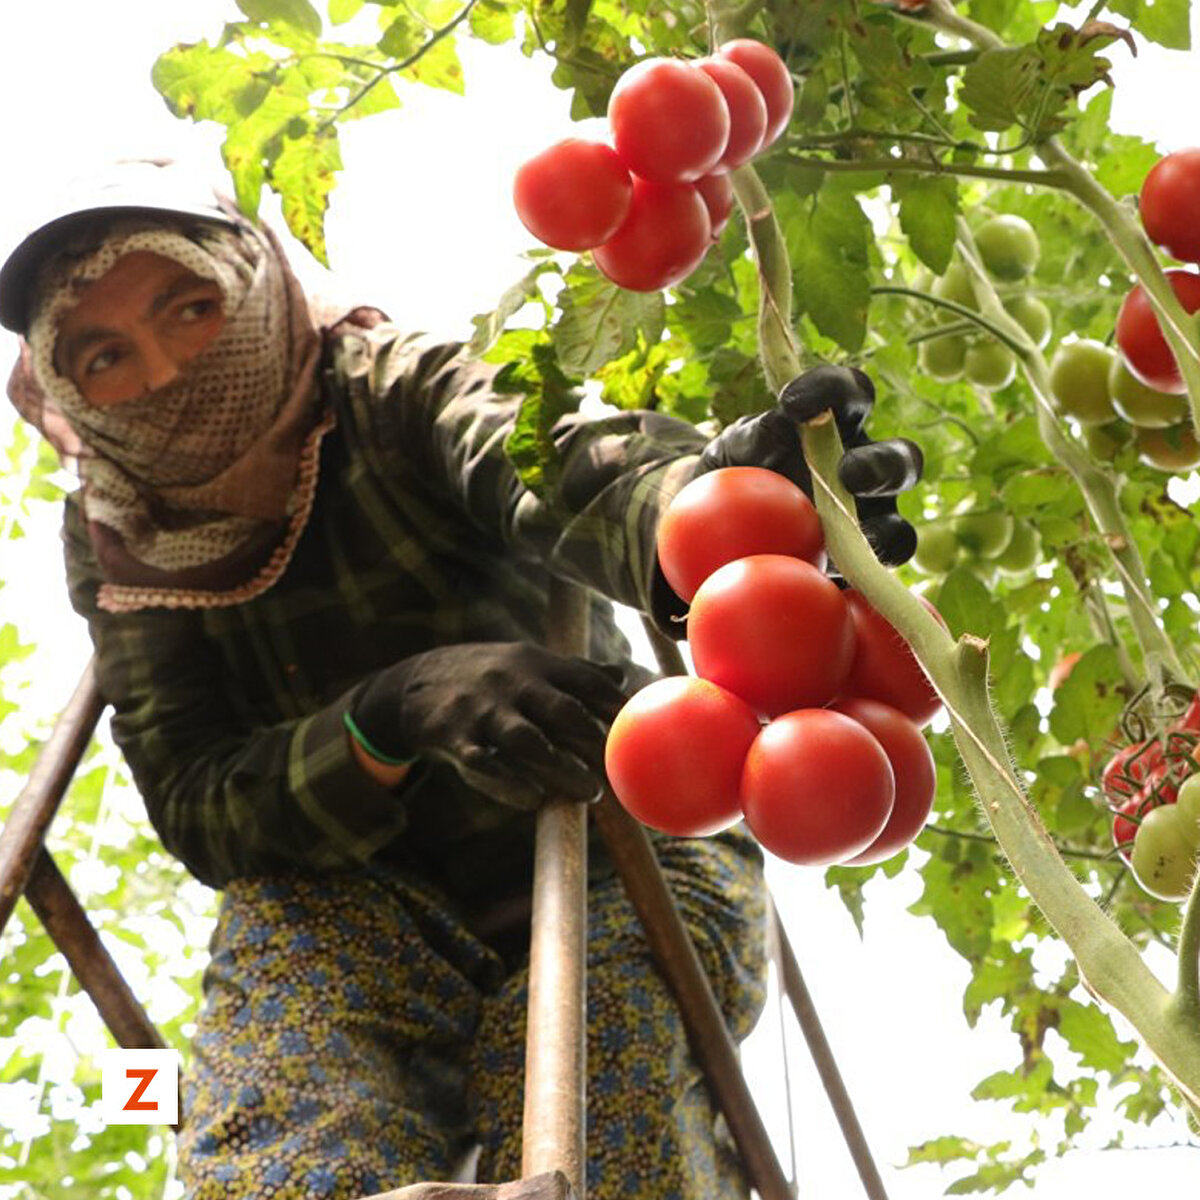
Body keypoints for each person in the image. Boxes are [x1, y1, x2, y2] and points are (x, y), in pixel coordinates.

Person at [0, 159, 922, 1200]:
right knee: (274, 1135)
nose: (166, 373)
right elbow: (197, 799)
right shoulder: (120, 542)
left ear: (252, 279)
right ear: (71, 391)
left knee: (600, 1081)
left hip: (618, 836)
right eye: (107, 355)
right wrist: (387, 715)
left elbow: (558, 465)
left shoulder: (393, 384)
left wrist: (710, 510)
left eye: (190, 306)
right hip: (348, 909)